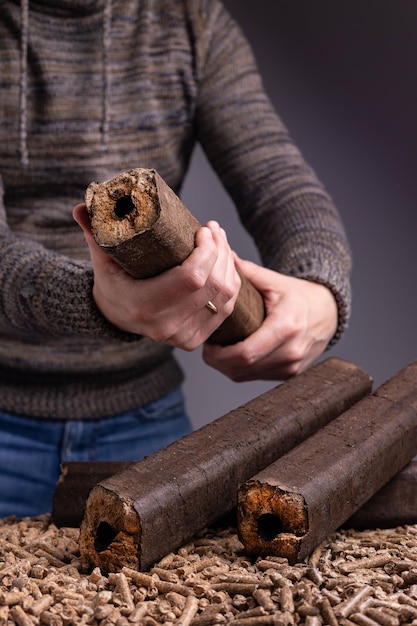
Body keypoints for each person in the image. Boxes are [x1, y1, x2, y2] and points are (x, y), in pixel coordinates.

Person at [0, 0, 351, 518]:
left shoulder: (192, 22)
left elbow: (281, 186)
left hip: (148, 426)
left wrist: (320, 292)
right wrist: (96, 301)